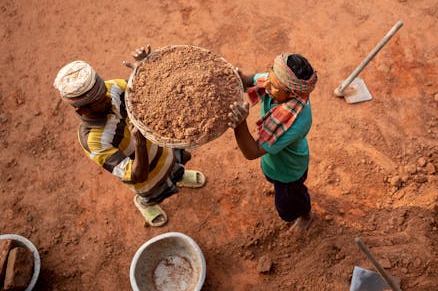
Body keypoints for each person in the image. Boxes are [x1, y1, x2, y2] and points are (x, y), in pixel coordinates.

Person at [53, 46, 206, 227]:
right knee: (155, 194)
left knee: (176, 165)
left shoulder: (112, 89)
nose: (108, 99)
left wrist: (145, 68)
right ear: (82, 110)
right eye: (101, 101)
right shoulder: (93, 141)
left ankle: (178, 176)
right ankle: (144, 203)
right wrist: (139, 143)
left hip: (165, 149)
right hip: (148, 178)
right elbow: (136, 175)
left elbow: (145, 93)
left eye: (105, 93)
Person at [228, 53, 318, 231]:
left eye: (275, 86)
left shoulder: (294, 121)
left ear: (291, 94)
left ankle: (305, 214)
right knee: (273, 179)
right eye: (270, 74)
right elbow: (252, 81)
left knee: (289, 205)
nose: (266, 84)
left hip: (289, 171)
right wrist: (240, 78)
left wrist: (240, 124)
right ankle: (285, 190)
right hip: (274, 162)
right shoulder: (277, 80)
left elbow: (252, 152)